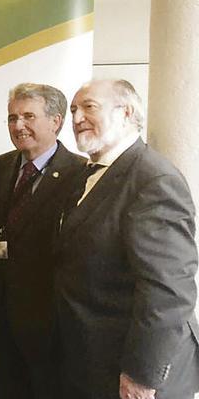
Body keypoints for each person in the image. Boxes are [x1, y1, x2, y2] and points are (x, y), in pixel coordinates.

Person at [56, 79, 199, 399]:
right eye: (74, 109)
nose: (77, 118)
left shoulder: (153, 179)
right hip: (92, 360)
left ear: (126, 113)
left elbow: (168, 291)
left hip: (132, 373)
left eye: (89, 107)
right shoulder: (85, 174)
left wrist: (142, 375)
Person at [0, 83, 84, 399]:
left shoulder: (81, 173)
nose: (18, 125)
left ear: (56, 121)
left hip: (51, 326)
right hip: (3, 319)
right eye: (12, 117)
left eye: (29, 116)